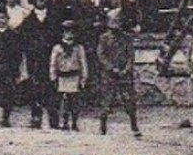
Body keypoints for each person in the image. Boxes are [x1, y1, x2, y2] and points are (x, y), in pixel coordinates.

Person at [17, 0, 62, 128]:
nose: (41, 2)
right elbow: (22, 38)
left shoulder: (54, 18)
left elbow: (59, 37)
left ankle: (53, 116)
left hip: (51, 57)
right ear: (34, 1)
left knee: (52, 86)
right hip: (34, 58)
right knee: (34, 87)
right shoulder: (28, 20)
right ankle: (36, 115)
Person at [96, 8, 140, 137]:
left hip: (125, 74)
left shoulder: (127, 38)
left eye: (118, 22)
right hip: (109, 75)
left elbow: (131, 55)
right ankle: (102, 126)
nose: (116, 26)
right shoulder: (103, 38)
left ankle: (134, 126)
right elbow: (101, 55)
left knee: (129, 101)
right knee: (106, 101)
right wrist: (111, 68)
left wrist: (127, 69)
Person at [49, 21, 88, 131]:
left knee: (74, 101)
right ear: (62, 33)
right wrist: (53, 77)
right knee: (64, 100)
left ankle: (74, 122)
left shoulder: (79, 48)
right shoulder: (57, 47)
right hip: (62, 76)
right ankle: (65, 122)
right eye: (66, 32)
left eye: (72, 32)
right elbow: (53, 63)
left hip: (74, 76)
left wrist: (84, 77)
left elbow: (83, 62)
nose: (69, 34)